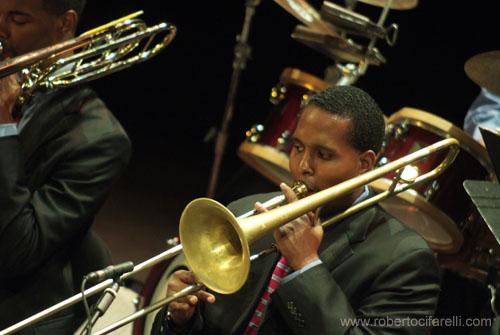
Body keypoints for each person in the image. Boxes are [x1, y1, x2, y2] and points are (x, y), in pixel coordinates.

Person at [151, 86, 441, 334]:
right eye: (298, 148)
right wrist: (181, 320)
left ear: (365, 163)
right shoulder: (245, 212)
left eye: (323, 155)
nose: (303, 167)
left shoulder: (405, 258)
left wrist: (306, 265)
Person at [0, 0, 131, 333]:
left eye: (16, 19)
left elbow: (15, 251)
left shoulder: (99, 141)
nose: (1, 29)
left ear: (64, 23)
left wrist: (2, 127)